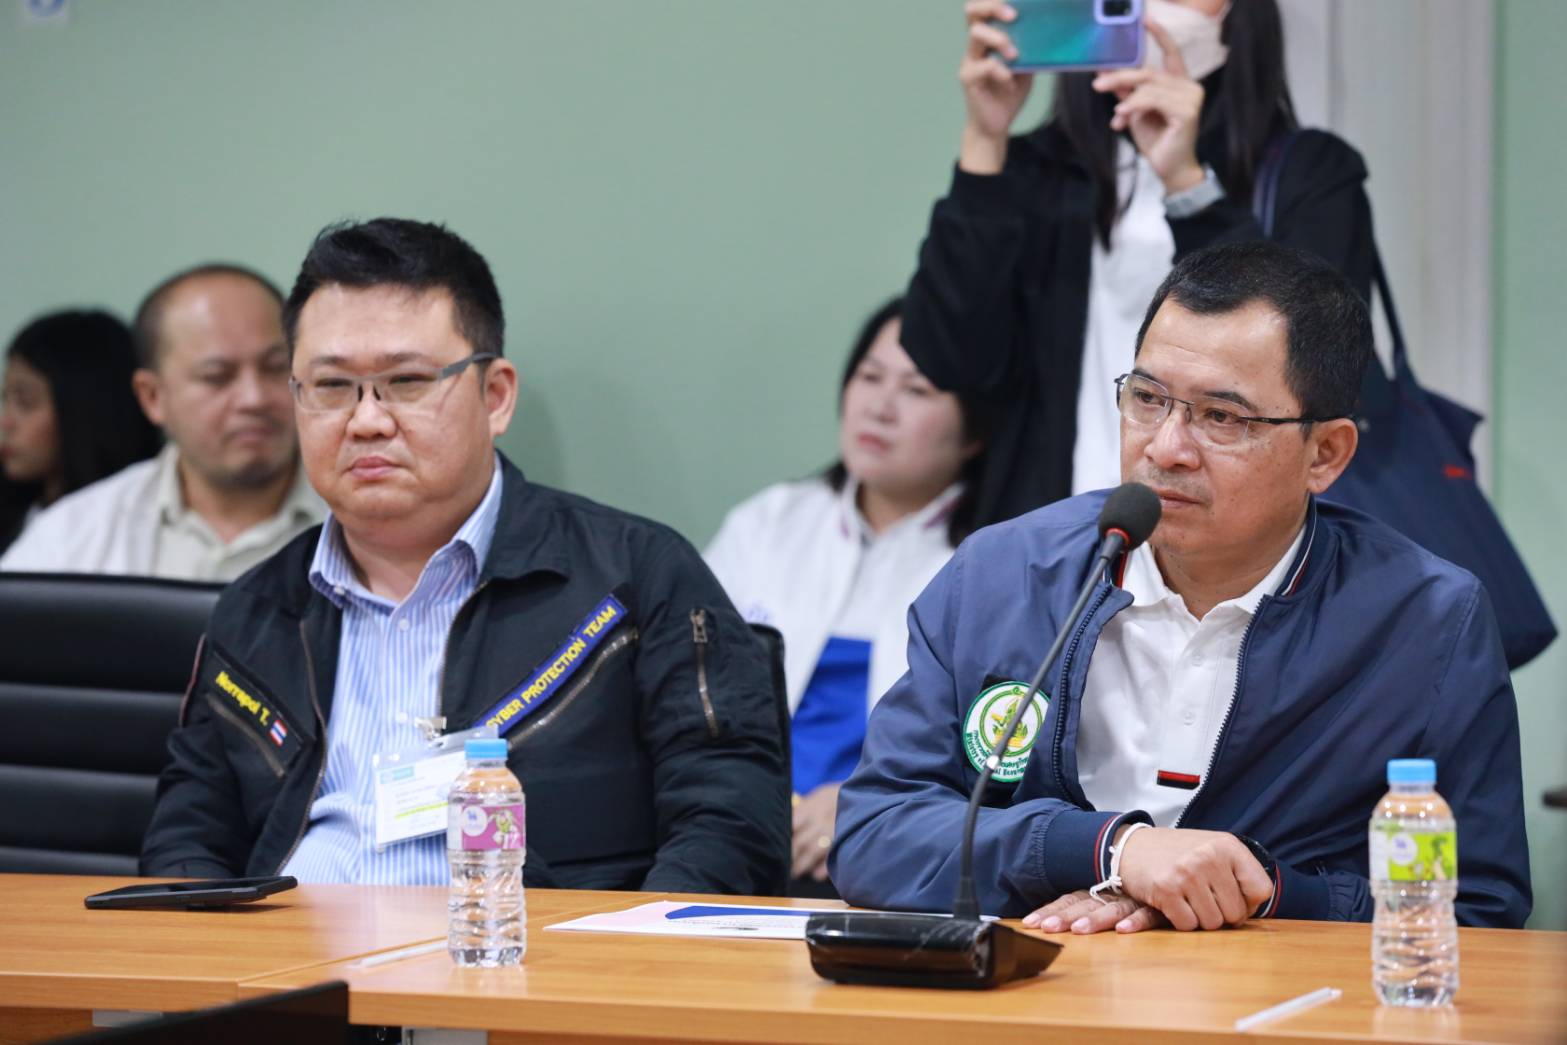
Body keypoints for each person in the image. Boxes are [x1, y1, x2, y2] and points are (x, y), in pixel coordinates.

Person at [830, 242, 1530, 930]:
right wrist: (1109, 849)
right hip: (1034, 983)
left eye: (1221, 417)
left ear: (1325, 454)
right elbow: (873, 832)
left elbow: (1476, 907)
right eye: (1147, 398)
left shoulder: (1424, 622)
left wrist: (1257, 893)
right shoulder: (1003, 574)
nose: (1165, 447)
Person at [141, 218, 789, 895]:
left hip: (527, 950)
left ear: (495, 396)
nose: (367, 419)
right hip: (290, 955)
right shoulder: (256, 610)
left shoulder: (635, 579)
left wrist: (615, 952)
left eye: (407, 380)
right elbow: (187, 836)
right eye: (331, 386)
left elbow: (728, 823)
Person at [902, 0, 1373, 527]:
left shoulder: (1311, 173)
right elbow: (950, 359)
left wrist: (1188, 185)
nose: (1150, 10)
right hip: (1057, 535)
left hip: (1234, 536)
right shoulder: (1039, 172)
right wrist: (984, 142)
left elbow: (1321, 364)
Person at [705, 297, 986, 887]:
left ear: (976, 431)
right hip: (743, 836)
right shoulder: (767, 525)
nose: (879, 407)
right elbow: (691, 695)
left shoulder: (996, 561)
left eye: (917, 390)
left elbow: (996, 750)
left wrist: (863, 806)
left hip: (895, 858)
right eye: (869, 376)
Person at [1, 264, 323, 580]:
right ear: (152, 396)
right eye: (217, 377)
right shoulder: (69, 538)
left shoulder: (349, 515)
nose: (254, 398)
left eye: (276, 367)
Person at [0, 310, 162, 553]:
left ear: (85, 411)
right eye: (4, 398)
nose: (5, 422)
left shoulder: (132, 529)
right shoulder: (17, 520)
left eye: (26, 402)